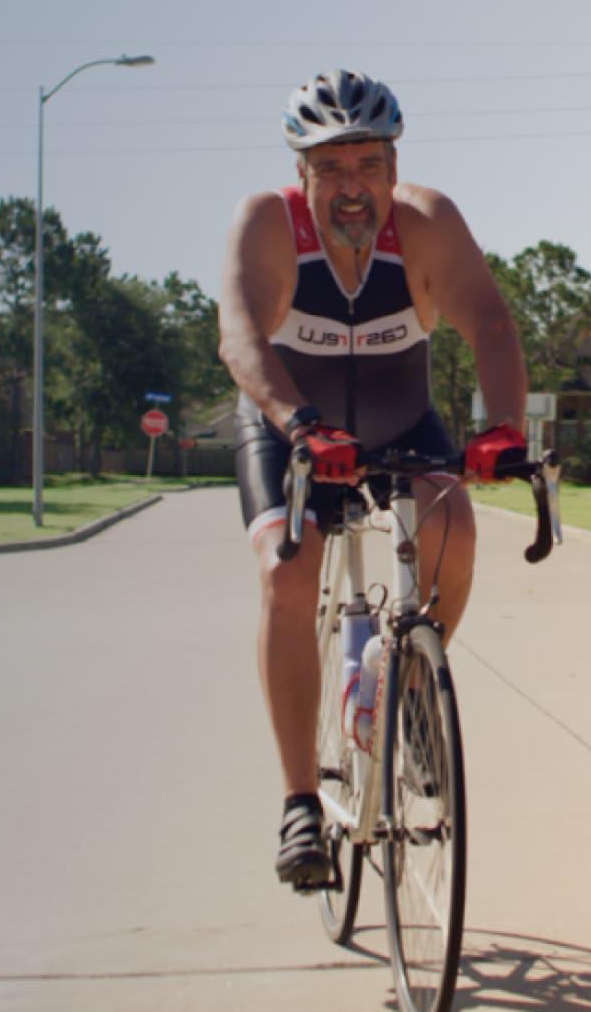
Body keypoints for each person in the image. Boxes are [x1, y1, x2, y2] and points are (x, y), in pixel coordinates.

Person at [216, 68, 530, 890]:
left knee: (454, 530)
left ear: (395, 165)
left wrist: (504, 427)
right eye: (330, 169)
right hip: (292, 429)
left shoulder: (427, 224)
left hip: (399, 424)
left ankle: (407, 686)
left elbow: (489, 321)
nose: (351, 188)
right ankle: (298, 806)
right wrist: (298, 424)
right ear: (303, 174)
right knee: (289, 571)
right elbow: (241, 335)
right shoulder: (269, 225)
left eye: (368, 166)